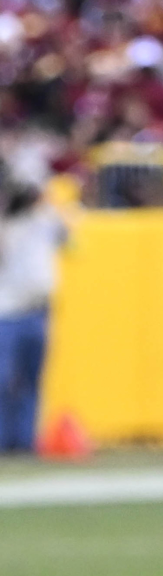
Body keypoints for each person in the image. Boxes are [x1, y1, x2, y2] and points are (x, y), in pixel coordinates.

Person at [0, 182, 67, 453]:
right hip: (8, 311)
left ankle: (25, 441)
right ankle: (4, 440)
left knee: (32, 379)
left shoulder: (43, 222)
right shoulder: (9, 227)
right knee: (4, 380)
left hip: (39, 310)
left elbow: (68, 232)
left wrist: (44, 199)